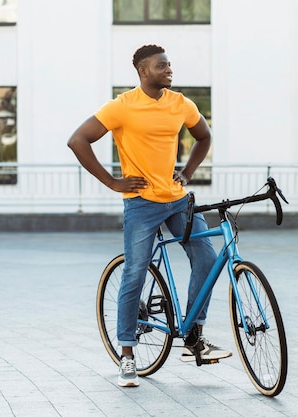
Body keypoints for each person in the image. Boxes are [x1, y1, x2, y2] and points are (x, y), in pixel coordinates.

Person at [67, 44, 231, 388]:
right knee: (135, 273)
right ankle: (127, 355)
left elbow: (204, 136)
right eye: (162, 66)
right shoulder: (122, 107)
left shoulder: (180, 103)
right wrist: (112, 181)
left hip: (177, 200)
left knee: (206, 258)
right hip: (141, 203)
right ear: (143, 71)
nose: (169, 70)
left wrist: (186, 172)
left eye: (170, 65)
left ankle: (194, 335)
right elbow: (78, 140)